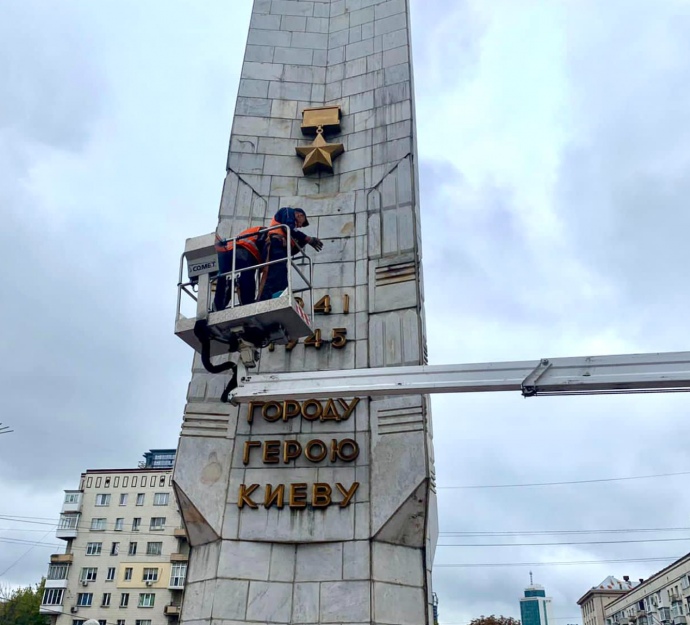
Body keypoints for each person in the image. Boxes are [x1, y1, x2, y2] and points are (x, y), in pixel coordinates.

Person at [259, 207, 323, 301]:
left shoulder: (289, 232)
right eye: (301, 223)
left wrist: (304, 241)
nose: (299, 226)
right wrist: (308, 239)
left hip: (281, 247)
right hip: (276, 243)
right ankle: (265, 298)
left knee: (282, 274)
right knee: (275, 272)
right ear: (299, 215)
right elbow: (289, 228)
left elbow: (293, 250)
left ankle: (280, 296)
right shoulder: (288, 211)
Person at [213, 226, 265, 311]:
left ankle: (216, 308)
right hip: (242, 252)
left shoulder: (256, 233)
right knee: (245, 280)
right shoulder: (268, 233)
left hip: (231, 252)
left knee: (227, 282)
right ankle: (247, 307)